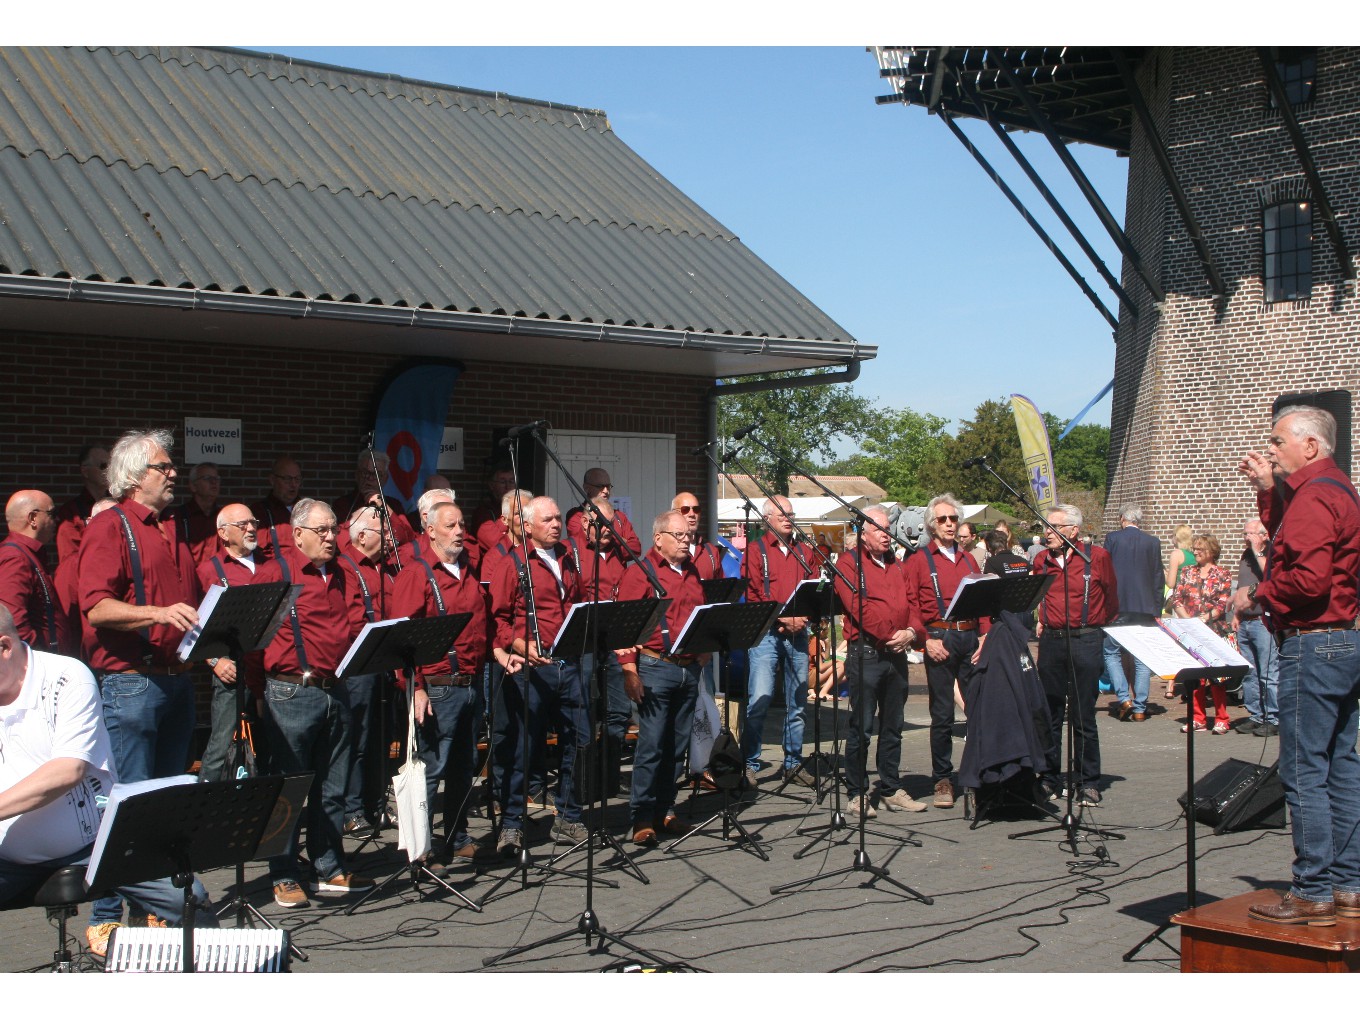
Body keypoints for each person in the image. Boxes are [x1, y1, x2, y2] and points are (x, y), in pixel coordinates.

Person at [0, 608, 217, 959]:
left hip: (96, 841)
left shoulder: (66, 676)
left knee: (188, 900)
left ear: (5, 647)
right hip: (7, 855)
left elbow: (67, 770)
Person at [1233, 405, 1360, 926]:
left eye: (1278, 440)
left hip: (1313, 643)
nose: (1272, 448)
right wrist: (1268, 486)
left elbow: (1306, 578)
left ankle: (1312, 890)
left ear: (1310, 445)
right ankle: (1348, 882)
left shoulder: (1313, 497)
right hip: (1344, 640)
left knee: (1305, 769)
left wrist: (1257, 595)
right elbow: (1288, 528)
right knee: (1342, 765)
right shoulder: (1338, 490)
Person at [76, 428, 203, 945]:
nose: (173, 473)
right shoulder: (111, 526)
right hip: (131, 684)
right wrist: (156, 612)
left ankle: (155, 912)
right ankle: (104, 917)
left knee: (166, 807)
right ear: (134, 476)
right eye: (163, 466)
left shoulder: (170, 528)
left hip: (175, 683)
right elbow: (96, 605)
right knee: (128, 804)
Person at [255, 498, 373, 909]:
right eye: (321, 531)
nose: (330, 537)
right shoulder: (275, 573)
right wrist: (257, 696)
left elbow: (357, 624)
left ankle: (328, 864)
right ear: (297, 534)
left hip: (336, 689)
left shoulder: (343, 573)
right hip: (291, 691)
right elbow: (254, 636)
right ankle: (283, 873)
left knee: (333, 787)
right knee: (289, 787)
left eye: (334, 529)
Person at [389, 500, 506, 862]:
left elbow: (483, 626)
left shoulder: (469, 571)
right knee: (431, 768)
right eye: (451, 526)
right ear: (431, 531)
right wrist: (416, 688)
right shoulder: (417, 573)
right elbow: (403, 638)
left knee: (462, 767)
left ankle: (456, 836)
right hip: (437, 686)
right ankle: (420, 844)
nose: (459, 532)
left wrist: (497, 654)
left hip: (469, 683)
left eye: (461, 525)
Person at [487, 496, 589, 853]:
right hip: (531, 669)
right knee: (523, 747)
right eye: (547, 519)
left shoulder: (568, 557)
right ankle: (512, 824)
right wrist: (517, 643)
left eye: (559, 518)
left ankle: (568, 816)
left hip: (569, 666)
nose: (556, 524)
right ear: (527, 526)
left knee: (576, 742)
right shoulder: (512, 563)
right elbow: (497, 617)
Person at [614, 510, 706, 844]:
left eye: (689, 537)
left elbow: (699, 613)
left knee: (677, 746)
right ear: (659, 538)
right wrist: (629, 670)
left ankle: (666, 809)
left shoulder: (693, 571)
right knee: (651, 746)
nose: (686, 542)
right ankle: (641, 817)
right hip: (655, 667)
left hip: (688, 669)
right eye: (679, 536)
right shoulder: (640, 572)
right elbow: (624, 625)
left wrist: (704, 650)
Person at [835, 507, 923, 817]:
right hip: (868, 654)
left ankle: (890, 788)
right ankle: (856, 793)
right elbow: (859, 608)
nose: (886, 534)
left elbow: (914, 603)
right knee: (862, 727)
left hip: (896, 656)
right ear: (863, 534)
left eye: (888, 528)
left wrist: (911, 631)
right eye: (879, 530)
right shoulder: (848, 564)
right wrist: (890, 634)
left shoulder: (897, 565)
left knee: (893, 726)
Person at [903, 493, 988, 809]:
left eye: (954, 519)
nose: (950, 524)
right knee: (941, 715)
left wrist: (984, 636)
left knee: (977, 710)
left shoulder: (968, 559)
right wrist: (925, 640)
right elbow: (910, 606)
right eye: (943, 519)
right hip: (938, 638)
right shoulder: (918, 561)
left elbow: (981, 597)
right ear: (931, 525)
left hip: (968, 639)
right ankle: (943, 779)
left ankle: (975, 775)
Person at [1032, 503, 1118, 806]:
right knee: (1050, 713)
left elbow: (1111, 601)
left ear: (1073, 530)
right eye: (1046, 526)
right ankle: (1049, 777)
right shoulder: (1041, 560)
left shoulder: (1097, 558)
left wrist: (1091, 626)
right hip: (1052, 642)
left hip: (1085, 639)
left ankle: (1087, 780)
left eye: (1054, 527)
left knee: (1083, 715)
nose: (1047, 532)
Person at [739, 495, 817, 785]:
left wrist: (803, 618)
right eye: (781, 513)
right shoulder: (755, 551)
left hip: (798, 634)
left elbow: (814, 588)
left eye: (791, 513)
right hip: (766, 635)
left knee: (797, 703)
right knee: (759, 700)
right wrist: (783, 619)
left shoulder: (804, 552)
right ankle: (749, 762)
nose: (787, 517)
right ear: (767, 518)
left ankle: (793, 763)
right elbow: (754, 596)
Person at [334, 505, 399, 836]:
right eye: (382, 531)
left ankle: (375, 802)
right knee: (357, 739)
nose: (389, 537)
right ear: (360, 536)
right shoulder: (346, 568)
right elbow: (351, 620)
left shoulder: (384, 568)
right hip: (359, 668)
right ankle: (352, 808)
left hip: (384, 665)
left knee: (381, 737)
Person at [194, 504, 269, 784]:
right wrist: (214, 661)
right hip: (232, 674)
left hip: (269, 673)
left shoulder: (270, 565)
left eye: (253, 522)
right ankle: (204, 807)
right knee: (221, 746)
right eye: (242, 524)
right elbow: (192, 624)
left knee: (269, 744)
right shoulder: (207, 571)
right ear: (223, 533)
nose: (251, 528)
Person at [1102, 504, 1163, 723]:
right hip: (1145, 607)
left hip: (1118, 606)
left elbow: (1105, 572)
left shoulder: (1113, 539)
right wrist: (1157, 608)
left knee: (1111, 653)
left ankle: (1124, 698)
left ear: (1122, 519)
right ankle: (1140, 707)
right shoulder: (1153, 542)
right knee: (1142, 658)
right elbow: (1158, 576)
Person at [1169, 533, 1235, 733]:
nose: (1195, 552)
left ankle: (1222, 718)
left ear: (1211, 551)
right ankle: (1197, 718)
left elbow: (1223, 603)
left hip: (1214, 630)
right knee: (1195, 677)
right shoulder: (1188, 571)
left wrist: (1206, 618)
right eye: (1194, 548)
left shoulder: (1223, 573)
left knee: (1217, 678)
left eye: (1200, 549)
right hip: (1191, 630)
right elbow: (1177, 598)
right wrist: (1188, 620)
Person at [0, 490, 63, 653]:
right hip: (37, 669)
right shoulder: (15, 558)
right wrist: (37, 659)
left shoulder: (27, 555)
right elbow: (13, 621)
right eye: (52, 513)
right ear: (33, 518)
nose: (57, 520)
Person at [1232, 516, 1279, 736]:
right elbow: (1241, 588)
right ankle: (1255, 714)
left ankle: (1273, 717)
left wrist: (1258, 551)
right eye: (1244, 533)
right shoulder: (1244, 555)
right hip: (1245, 621)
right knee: (1250, 672)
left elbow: (1271, 576)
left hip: (1263, 621)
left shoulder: (1268, 552)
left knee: (1268, 672)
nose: (1245, 537)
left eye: (1249, 533)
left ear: (1263, 535)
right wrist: (1237, 614)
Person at [565, 468, 641, 559]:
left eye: (608, 486)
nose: (606, 491)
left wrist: (607, 539)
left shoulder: (619, 516)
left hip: (617, 572)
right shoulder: (576, 516)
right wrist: (622, 541)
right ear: (586, 488)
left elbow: (636, 549)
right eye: (600, 486)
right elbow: (586, 543)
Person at [55, 444, 109, 564]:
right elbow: (70, 559)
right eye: (103, 466)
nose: (109, 470)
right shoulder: (70, 512)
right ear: (85, 471)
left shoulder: (120, 505)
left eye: (112, 466)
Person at [166, 463, 224, 567]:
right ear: (193, 486)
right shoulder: (179, 517)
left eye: (216, 478)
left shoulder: (224, 516)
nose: (214, 482)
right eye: (207, 478)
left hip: (220, 579)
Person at [251, 455, 303, 560]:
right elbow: (259, 552)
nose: (293, 484)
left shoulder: (308, 509)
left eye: (297, 479)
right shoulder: (260, 511)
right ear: (272, 480)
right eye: (287, 479)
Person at [672, 491, 724, 579]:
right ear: (674, 513)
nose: (692, 514)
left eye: (696, 509)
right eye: (685, 509)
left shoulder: (711, 552)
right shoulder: (666, 550)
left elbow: (723, 588)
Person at [1164, 524, 1196, 596]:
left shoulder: (1176, 554)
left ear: (1176, 537)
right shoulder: (1195, 553)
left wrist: (1162, 573)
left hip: (1181, 596)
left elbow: (1170, 584)